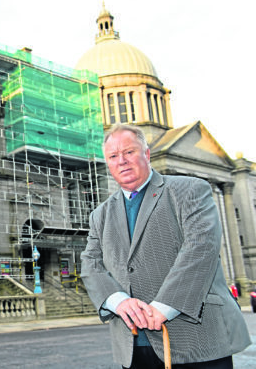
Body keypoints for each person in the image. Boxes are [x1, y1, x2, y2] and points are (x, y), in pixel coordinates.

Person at [80, 124, 250, 369]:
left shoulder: (189, 189)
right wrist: (118, 301)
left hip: (197, 341)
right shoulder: (100, 214)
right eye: (113, 156)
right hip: (134, 345)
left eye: (129, 152)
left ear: (147, 154)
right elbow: (90, 263)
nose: (122, 161)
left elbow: (201, 248)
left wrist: (163, 307)